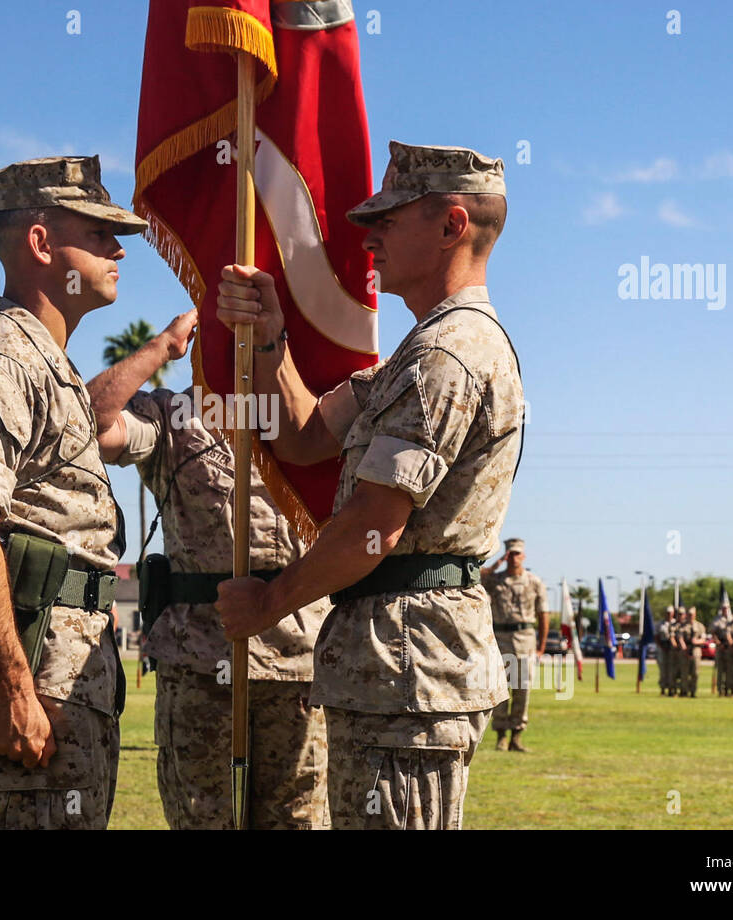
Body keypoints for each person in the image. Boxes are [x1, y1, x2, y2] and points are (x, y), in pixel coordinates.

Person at [214, 143, 518, 829]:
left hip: (412, 676)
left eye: (392, 217)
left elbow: (374, 525)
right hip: (391, 673)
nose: (370, 235)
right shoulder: (420, 351)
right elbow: (302, 436)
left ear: (452, 225)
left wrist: (270, 602)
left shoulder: (447, 355)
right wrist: (270, 338)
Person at [0, 154, 140, 829]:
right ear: (41, 243)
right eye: (97, 231)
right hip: (30, 679)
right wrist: (12, 690)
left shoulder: (48, 364)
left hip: (61, 674)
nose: (117, 247)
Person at [88, 307, 332, 829]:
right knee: (201, 818)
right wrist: (160, 349)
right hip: (199, 662)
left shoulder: (312, 419)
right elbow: (84, 426)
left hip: (297, 662)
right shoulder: (171, 418)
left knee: (298, 820)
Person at [481, 538, 547, 751]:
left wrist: (541, 646)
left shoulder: (534, 581)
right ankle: (501, 735)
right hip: (500, 637)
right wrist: (497, 563)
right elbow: (477, 578)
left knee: (523, 688)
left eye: (517, 554)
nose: (513, 557)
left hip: (525, 637)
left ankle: (516, 736)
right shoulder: (496, 580)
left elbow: (543, 613)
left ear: (524, 556)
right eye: (510, 553)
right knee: (500, 687)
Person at [685, 606, 705, 697]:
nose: (690, 616)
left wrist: (696, 641)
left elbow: (703, 639)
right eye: (689, 614)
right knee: (685, 673)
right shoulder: (683, 625)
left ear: (695, 615)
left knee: (695, 673)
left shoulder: (700, 626)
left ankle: (693, 691)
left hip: (696, 651)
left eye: (692, 614)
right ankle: (684, 691)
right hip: (686, 651)